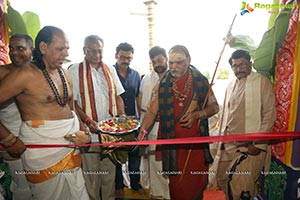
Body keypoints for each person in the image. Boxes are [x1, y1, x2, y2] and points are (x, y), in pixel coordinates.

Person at [0, 26, 90, 200]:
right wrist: (8, 140)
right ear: (43, 48)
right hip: (42, 152)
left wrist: (82, 130)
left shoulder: (64, 73)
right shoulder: (24, 74)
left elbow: (70, 108)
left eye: (67, 49)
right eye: (60, 49)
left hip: (71, 148)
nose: (65, 53)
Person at [138, 45, 219, 200]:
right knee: (177, 185)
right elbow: (152, 111)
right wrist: (143, 131)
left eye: (179, 62)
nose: (174, 67)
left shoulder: (200, 80)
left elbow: (214, 107)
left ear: (188, 60)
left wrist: (197, 114)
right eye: (171, 63)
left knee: (196, 183)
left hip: (195, 146)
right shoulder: (163, 83)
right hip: (173, 146)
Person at [68, 35, 125, 200]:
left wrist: (122, 119)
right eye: (92, 51)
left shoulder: (110, 69)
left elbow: (118, 97)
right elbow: (74, 103)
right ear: (84, 50)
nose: (97, 55)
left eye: (100, 51)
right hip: (89, 133)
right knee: (92, 177)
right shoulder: (74, 70)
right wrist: (87, 121)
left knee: (109, 175)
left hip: (110, 133)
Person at [216, 49, 276, 200]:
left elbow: (269, 114)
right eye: (235, 66)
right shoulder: (230, 86)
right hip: (229, 144)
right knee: (222, 178)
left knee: (241, 185)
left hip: (251, 146)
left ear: (250, 64)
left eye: (242, 64)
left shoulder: (262, 82)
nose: (238, 69)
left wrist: (258, 144)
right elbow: (226, 114)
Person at [0, 34, 33, 200]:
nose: (14, 53)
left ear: (32, 50)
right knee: (22, 187)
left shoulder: (38, 72)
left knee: (41, 186)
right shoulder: (2, 72)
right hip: (13, 143)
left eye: (20, 48)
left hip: (37, 142)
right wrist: (8, 140)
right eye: (11, 48)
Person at [137, 46, 170, 199]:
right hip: (150, 128)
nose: (157, 64)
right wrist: (143, 128)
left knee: (167, 164)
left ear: (166, 59)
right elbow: (141, 103)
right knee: (153, 162)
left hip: (169, 129)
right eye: (154, 61)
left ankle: (169, 194)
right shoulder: (146, 79)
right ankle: (157, 194)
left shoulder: (174, 77)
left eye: (160, 60)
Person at [113, 42, 145, 196]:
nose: (125, 60)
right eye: (122, 57)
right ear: (116, 56)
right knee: (117, 155)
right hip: (115, 123)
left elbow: (138, 98)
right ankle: (118, 185)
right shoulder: (109, 72)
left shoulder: (136, 75)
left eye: (129, 58)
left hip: (133, 122)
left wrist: (139, 119)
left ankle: (135, 183)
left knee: (134, 154)